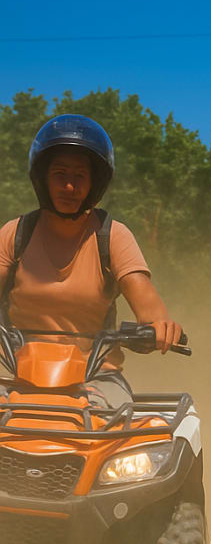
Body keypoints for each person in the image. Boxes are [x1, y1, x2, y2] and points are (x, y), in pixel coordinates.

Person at [0, 114, 183, 409]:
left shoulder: (111, 236)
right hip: (17, 375)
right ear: (42, 177)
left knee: (114, 430)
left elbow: (150, 308)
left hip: (98, 377)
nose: (69, 187)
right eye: (60, 174)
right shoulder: (15, 234)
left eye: (79, 176)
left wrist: (160, 328)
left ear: (95, 184)